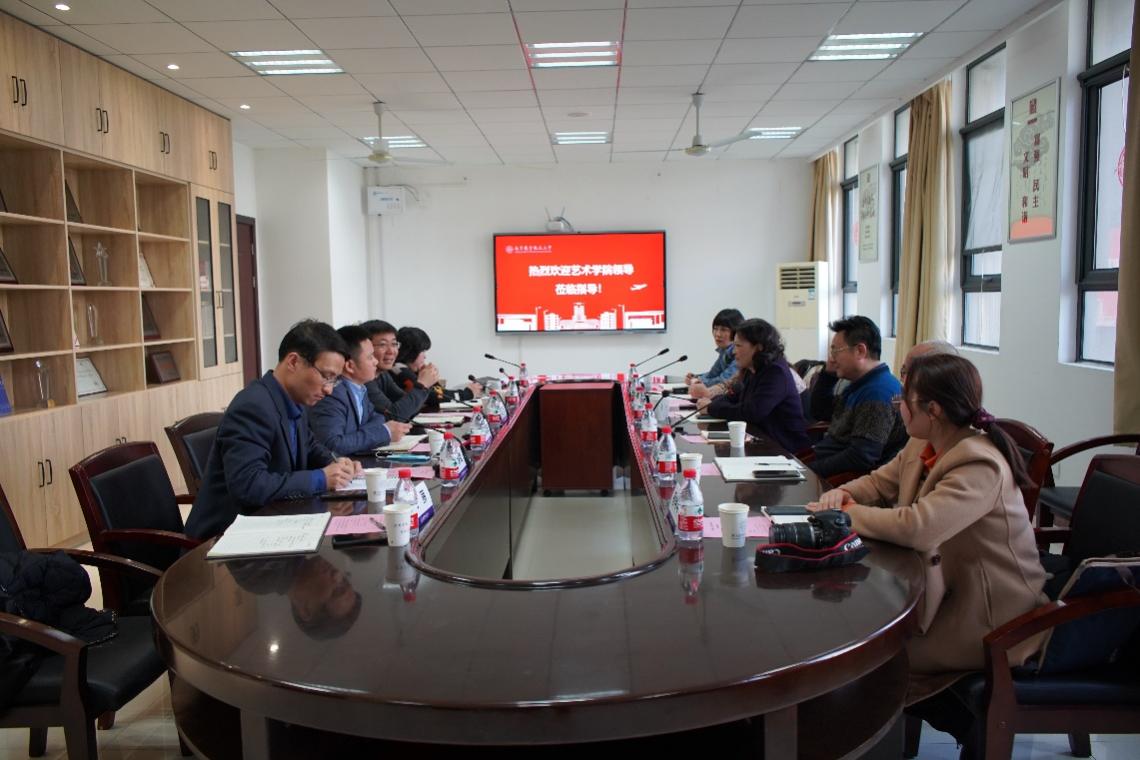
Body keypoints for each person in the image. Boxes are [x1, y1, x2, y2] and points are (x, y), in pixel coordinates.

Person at [807, 353, 1047, 749]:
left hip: (990, 617)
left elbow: (919, 527)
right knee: (848, 628)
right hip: (939, 588)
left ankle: (865, 743)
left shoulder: (979, 463)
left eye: (903, 398)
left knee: (868, 654)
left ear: (932, 410)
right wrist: (843, 494)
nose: (897, 405)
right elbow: (879, 483)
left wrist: (846, 516)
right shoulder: (924, 441)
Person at [185, 320, 360, 540]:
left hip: (272, 522)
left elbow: (309, 445)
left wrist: (337, 463)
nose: (329, 390)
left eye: (335, 380)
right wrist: (320, 478)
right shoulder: (254, 406)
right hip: (225, 538)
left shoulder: (293, 399)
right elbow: (248, 485)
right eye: (326, 376)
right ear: (293, 362)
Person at [809, 316, 907, 478]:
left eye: (835, 351)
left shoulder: (878, 392)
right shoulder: (862, 383)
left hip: (842, 480)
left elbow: (861, 457)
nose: (831, 358)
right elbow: (821, 411)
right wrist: (828, 375)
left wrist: (810, 471)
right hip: (825, 464)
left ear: (860, 351)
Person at [697, 318, 810, 453]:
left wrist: (711, 408)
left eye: (738, 346)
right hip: (759, 440)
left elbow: (752, 412)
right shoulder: (753, 368)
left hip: (783, 449)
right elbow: (733, 398)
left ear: (759, 347)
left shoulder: (775, 373)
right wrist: (712, 404)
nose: (733, 352)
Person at [308, 325, 412, 455]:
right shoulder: (333, 394)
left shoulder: (360, 388)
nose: (375, 362)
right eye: (370, 357)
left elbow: (378, 418)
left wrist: (357, 435)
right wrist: (384, 432)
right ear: (350, 366)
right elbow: (332, 445)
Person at [391, 326, 482, 412]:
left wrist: (431, 379)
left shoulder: (409, 369)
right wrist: (467, 394)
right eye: (422, 351)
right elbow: (435, 397)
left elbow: (437, 392)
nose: (425, 356)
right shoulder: (399, 370)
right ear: (411, 352)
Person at [360, 319, 433, 422]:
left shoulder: (383, 374)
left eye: (394, 344)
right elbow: (394, 416)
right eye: (382, 345)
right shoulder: (364, 381)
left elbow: (408, 406)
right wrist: (422, 385)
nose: (391, 351)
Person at [687, 308, 743, 400]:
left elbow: (724, 379)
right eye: (715, 329)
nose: (718, 334)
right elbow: (713, 373)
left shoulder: (740, 354)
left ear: (735, 332)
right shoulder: (724, 351)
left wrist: (697, 381)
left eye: (723, 330)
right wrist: (697, 377)